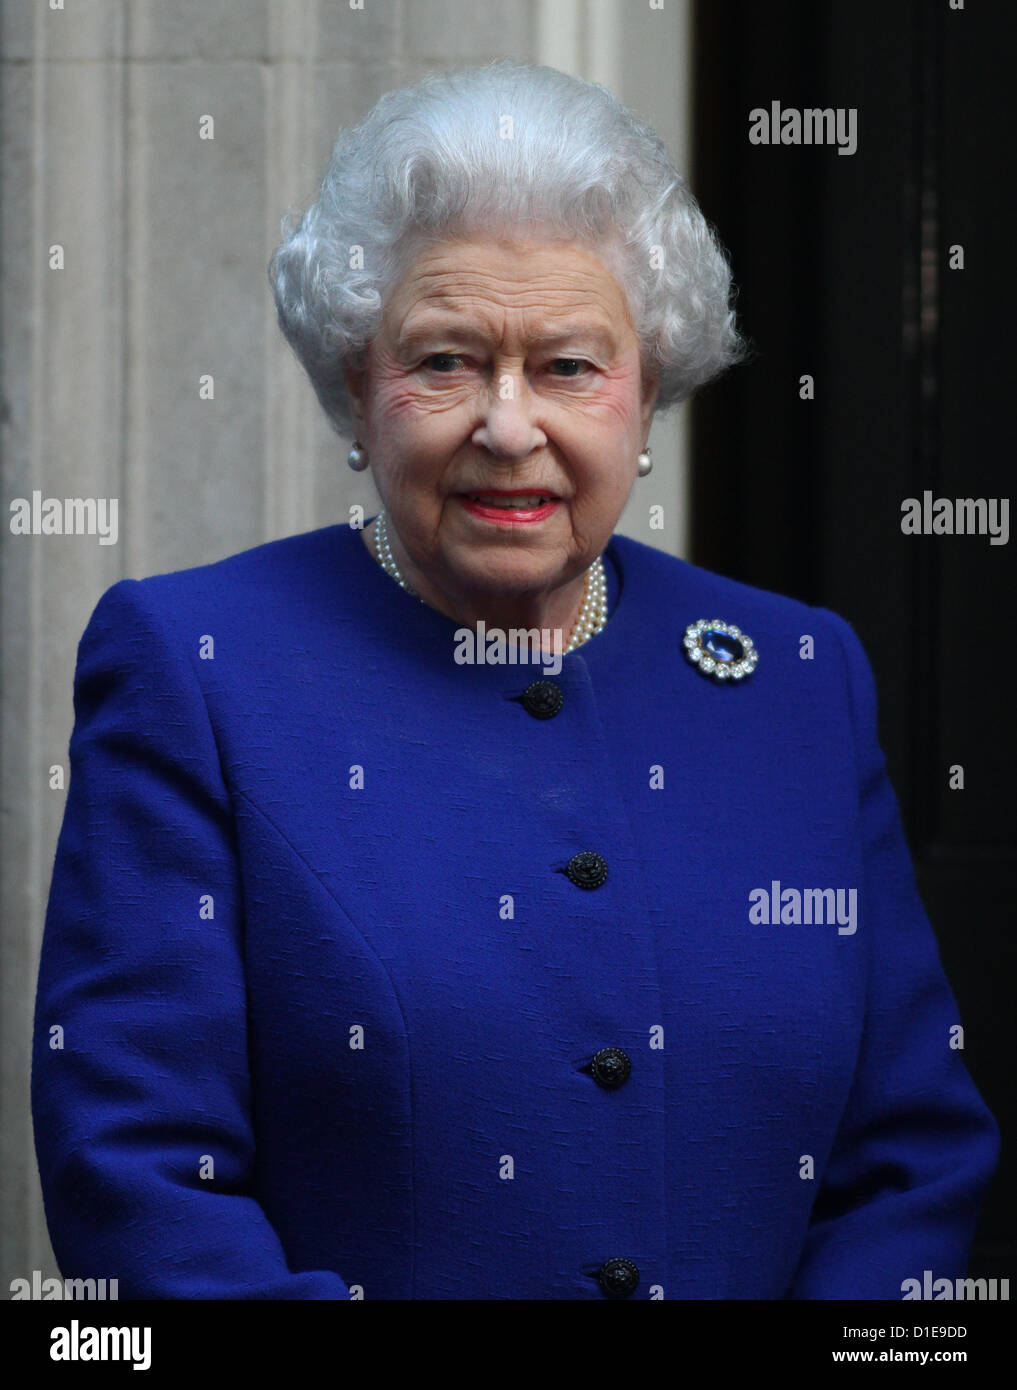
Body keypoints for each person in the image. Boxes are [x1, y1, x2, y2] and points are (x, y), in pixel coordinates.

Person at [32, 59, 998, 1300]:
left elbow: (909, 1156)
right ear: (356, 389)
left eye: (568, 366)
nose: (506, 424)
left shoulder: (799, 680)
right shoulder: (202, 666)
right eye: (444, 361)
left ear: (648, 392)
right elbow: (140, 1173)